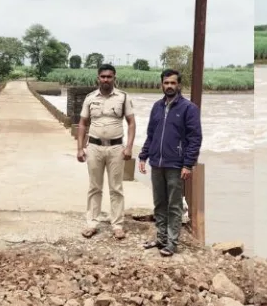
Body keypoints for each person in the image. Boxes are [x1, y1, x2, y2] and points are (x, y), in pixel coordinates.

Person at [137, 68, 202, 256]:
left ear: (179, 85)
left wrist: (188, 164)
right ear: (161, 85)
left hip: (176, 164)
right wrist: (143, 156)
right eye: (166, 83)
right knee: (159, 203)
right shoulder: (157, 107)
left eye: (173, 83)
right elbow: (151, 135)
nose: (169, 86)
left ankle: (172, 243)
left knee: (174, 205)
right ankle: (161, 238)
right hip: (157, 163)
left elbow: (195, 138)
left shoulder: (189, 108)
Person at [77, 64, 136, 240]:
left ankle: (117, 225)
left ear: (114, 78)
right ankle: (92, 223)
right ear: (98, 78)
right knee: (94, 187)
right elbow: (82, 123)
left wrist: (129, 147)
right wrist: (80, 148)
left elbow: (131, 123)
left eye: (109, 77)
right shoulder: (90, 98)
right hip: (94, 147)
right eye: (103, 76)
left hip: (116, 148)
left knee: (116, 188)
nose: (106, 80)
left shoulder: (123, 97)